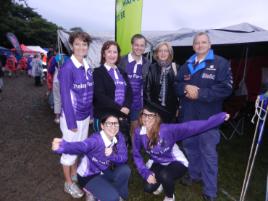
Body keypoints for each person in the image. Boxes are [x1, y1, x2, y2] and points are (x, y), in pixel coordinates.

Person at [132, 102, 229, 201]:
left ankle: (170, 196)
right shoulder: (139, 132)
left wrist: (219, 118)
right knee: (148, 188)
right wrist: (146, 173)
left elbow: (192, 127)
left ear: (156, 117)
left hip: (175, 161)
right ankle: (161, 181)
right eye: (144, 114)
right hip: (158, 162)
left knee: (164, 175)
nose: (146, 118)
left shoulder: (167, 130)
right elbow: (136, 154)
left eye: (150, 115)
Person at [176, 32, 233, 201]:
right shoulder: (186, 65)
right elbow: (176, 85)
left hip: (209, 118)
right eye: (197, 43)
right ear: (193, 46)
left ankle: (210, 191)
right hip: (188, 117)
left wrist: (200, 93)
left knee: (208, 153)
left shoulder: (221, 63)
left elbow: (226, 88)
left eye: (203, 42)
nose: (200, 45)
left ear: (210, 44)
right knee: (190, 148)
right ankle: (194, 175)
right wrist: (185, 88)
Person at [52, 113, 130, 201]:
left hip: (104, 171)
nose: (113, 127)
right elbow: (82, 146)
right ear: (102, 126)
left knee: (125, 170)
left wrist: (112, 156)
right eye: (109, 123)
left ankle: (120, 195)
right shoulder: (96, 140)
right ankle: (92, 191)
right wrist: (63, 146)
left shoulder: (119, 137)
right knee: (113, 197)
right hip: (88, 176)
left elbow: (124, 158)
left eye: (116, 123)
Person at [58, 31, 94, 199]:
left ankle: (74, 174)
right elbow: (65, 96)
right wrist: (71, 122)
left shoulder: (87, 64)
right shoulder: (67, 67)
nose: (81, 47)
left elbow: (89, 91)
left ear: (87, 47)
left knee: (78, 148)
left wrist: (91, 113)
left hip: (85, 116)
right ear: (72, 46)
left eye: (84, 44)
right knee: (69, 151)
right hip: (72, 118)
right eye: (78, 44)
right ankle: (68, 184)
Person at [93, 41, 132, 145]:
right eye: (109, 51)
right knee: (104, 146)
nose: (112, 55)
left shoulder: (122, 72)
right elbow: (100, 95)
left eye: (115, 52)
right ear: (103, 54)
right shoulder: (98, 72)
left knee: (119, 145)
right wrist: (120, 108)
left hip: (121, 115)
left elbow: (129, 91)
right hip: (105, 115)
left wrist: (127, 106)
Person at [119, 34, 151, 136]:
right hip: (122, 102)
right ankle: (120, 147)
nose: (139, 48)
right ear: (132, 45)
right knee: (120, 127)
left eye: (142, 45)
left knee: (135, 128)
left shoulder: (147, 63)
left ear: (145, 47)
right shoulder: (121, 60)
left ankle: (134, 149)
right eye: (136, 45)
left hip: (138, 103)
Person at [145, 42, 179, 123]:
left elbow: (179, 91)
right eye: (160, 51)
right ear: (157, 53)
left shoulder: (176, 68)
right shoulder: (152, 68)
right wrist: (151, 109)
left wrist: (178, 108)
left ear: (170, 53)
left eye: (166, 51)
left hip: (171, 110)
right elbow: (147, 90)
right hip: (155, 109)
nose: (163, 53)